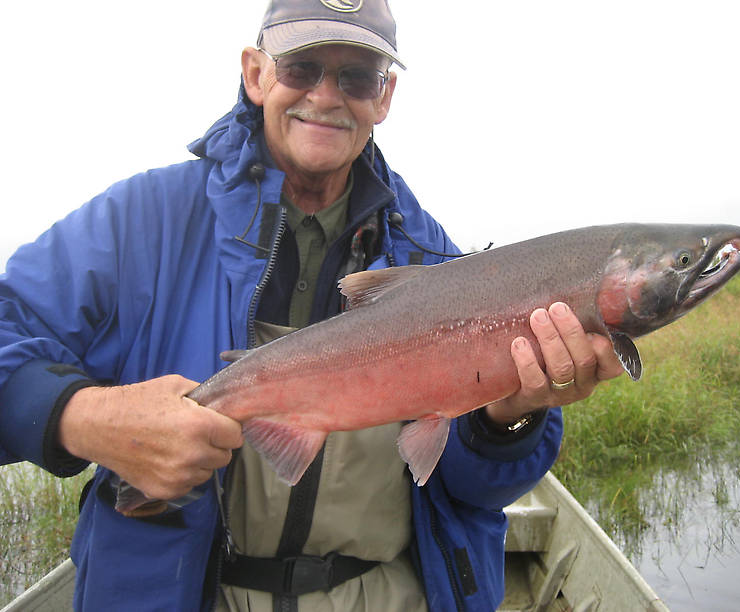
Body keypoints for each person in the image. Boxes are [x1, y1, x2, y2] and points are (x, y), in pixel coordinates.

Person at [0, 1, 623, 610]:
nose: (326, 96)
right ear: (254, 73)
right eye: (300, 68)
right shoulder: (139, 223)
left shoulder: (436, 261)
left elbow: (473, 490)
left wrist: (504, 421)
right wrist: (80, 419)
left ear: (385, 96)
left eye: (356, 76)